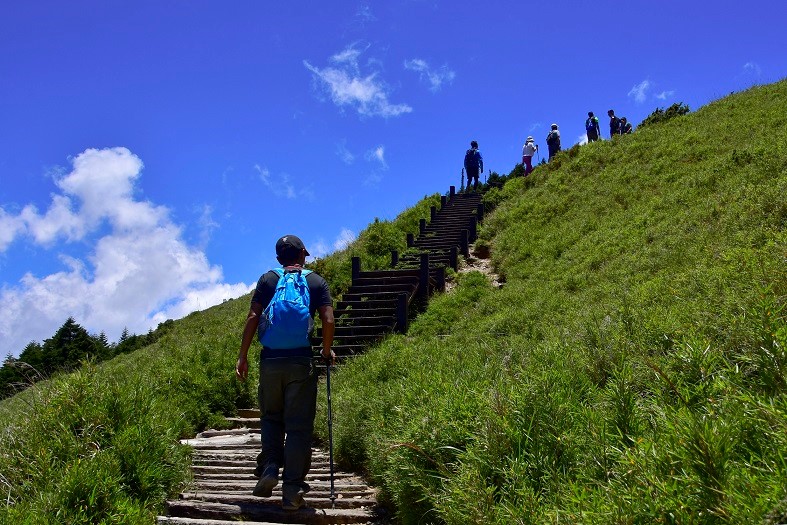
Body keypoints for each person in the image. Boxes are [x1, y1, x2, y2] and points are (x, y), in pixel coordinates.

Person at [236, 234, 335, 511]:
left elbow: (253, 316)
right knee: (299, 427)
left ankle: (269, 466)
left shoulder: (268, 279)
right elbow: (328, 319)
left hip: (270, 361)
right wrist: (326, 351)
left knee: (270, 418)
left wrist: (243, 356)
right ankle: (291, 491)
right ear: (303, 254)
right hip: (301, 362)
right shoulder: (316, 281)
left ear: (279, 258)